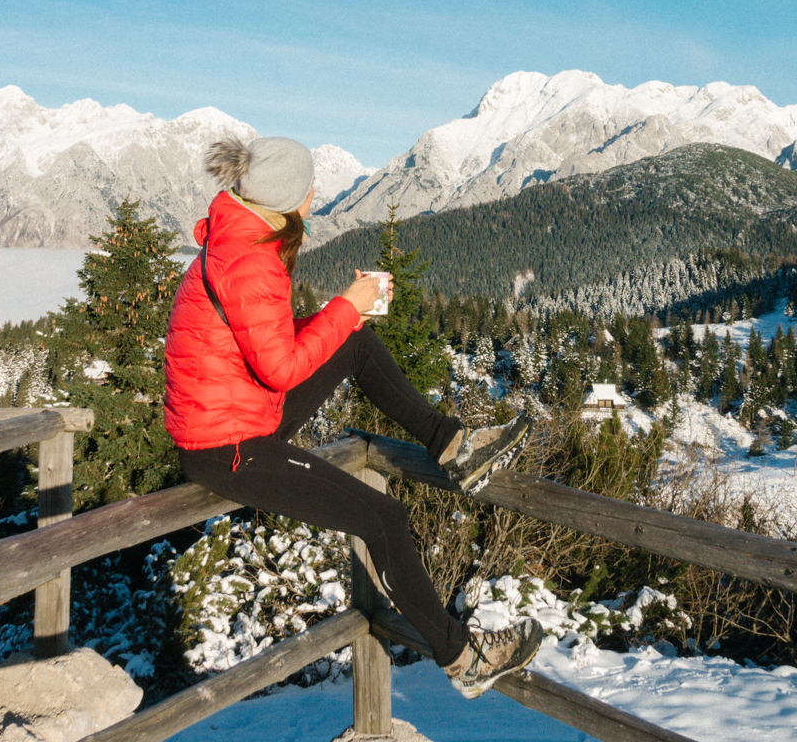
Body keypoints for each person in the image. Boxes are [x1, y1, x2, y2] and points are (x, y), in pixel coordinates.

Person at [163, 137, 543, 698]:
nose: (316, 196)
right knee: (382, 519)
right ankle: (464, 658)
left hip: (237, 413)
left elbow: (258, 346)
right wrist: (345, 306)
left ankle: (452, 447)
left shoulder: (238, 238)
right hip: (229, 447)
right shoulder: (248, 259)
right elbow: (283, 369)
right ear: (294, 197)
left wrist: (344, 316)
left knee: (355, 342)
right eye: (311, 189)